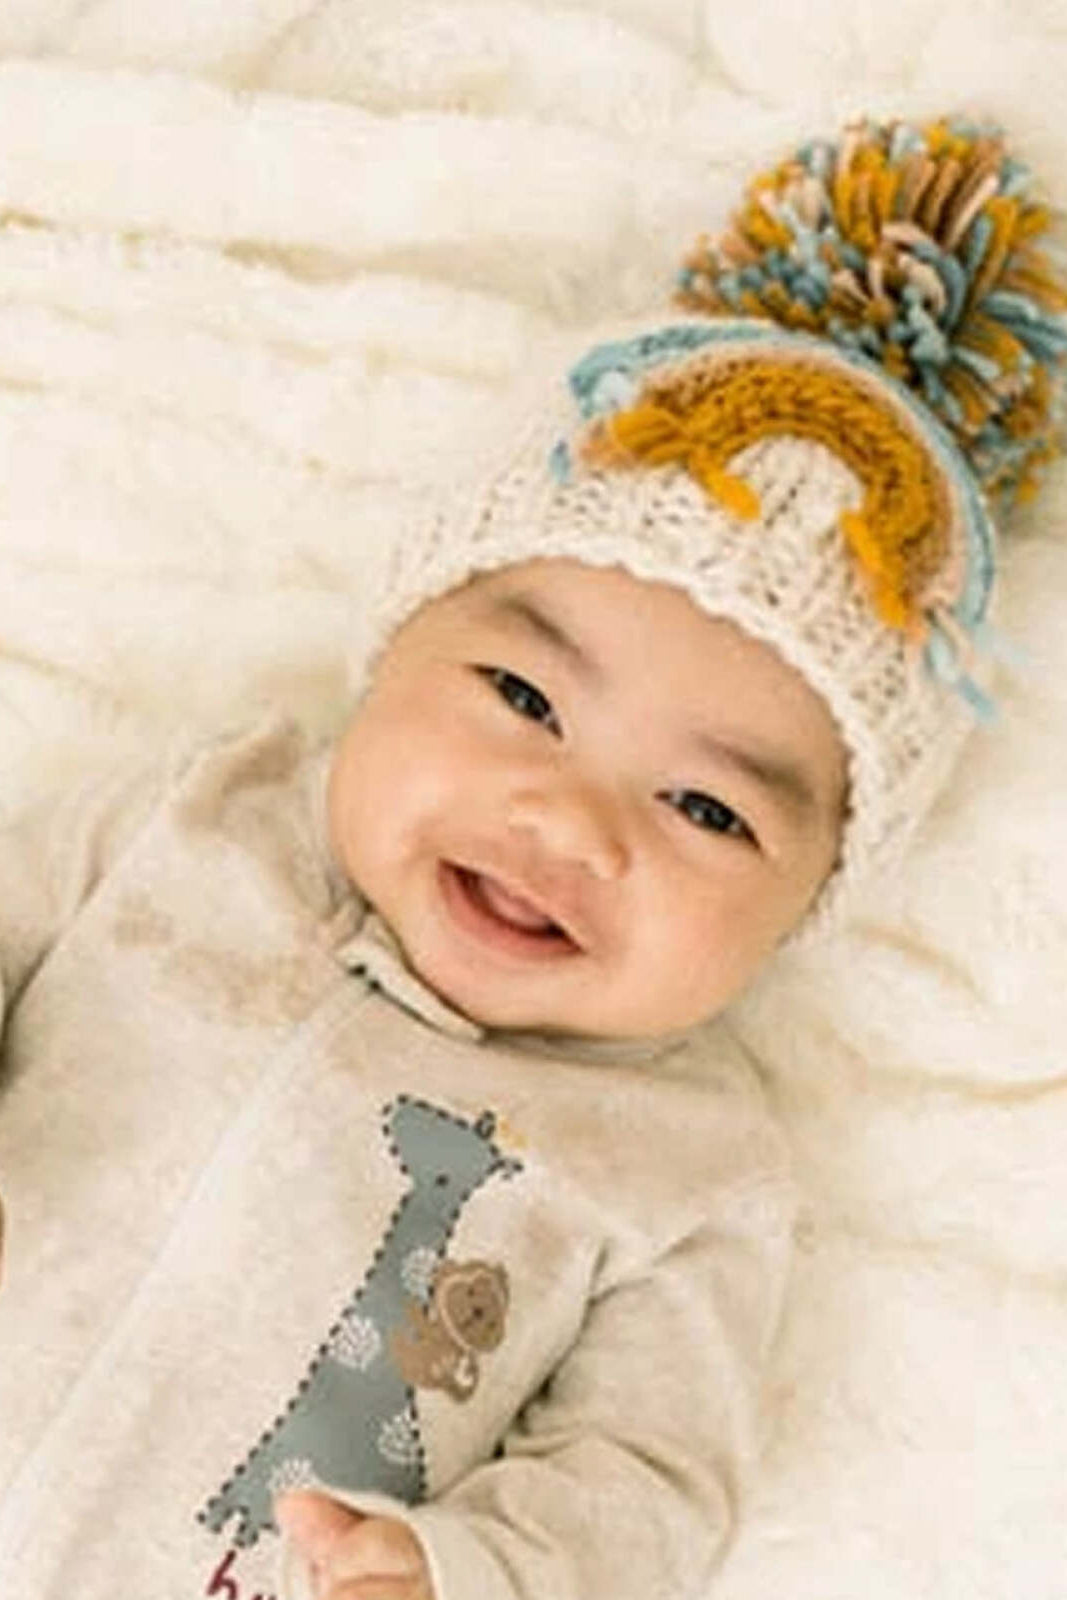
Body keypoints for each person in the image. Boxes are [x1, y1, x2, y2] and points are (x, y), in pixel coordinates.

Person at [0, 114, 1063, 1600]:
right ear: (388, 654)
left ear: (806, 906)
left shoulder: (691, 1176)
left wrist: (465, 1571)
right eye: (522, 699)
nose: (570, 822)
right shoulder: (197, 822)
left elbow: (646, 1485)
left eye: (709, 811)